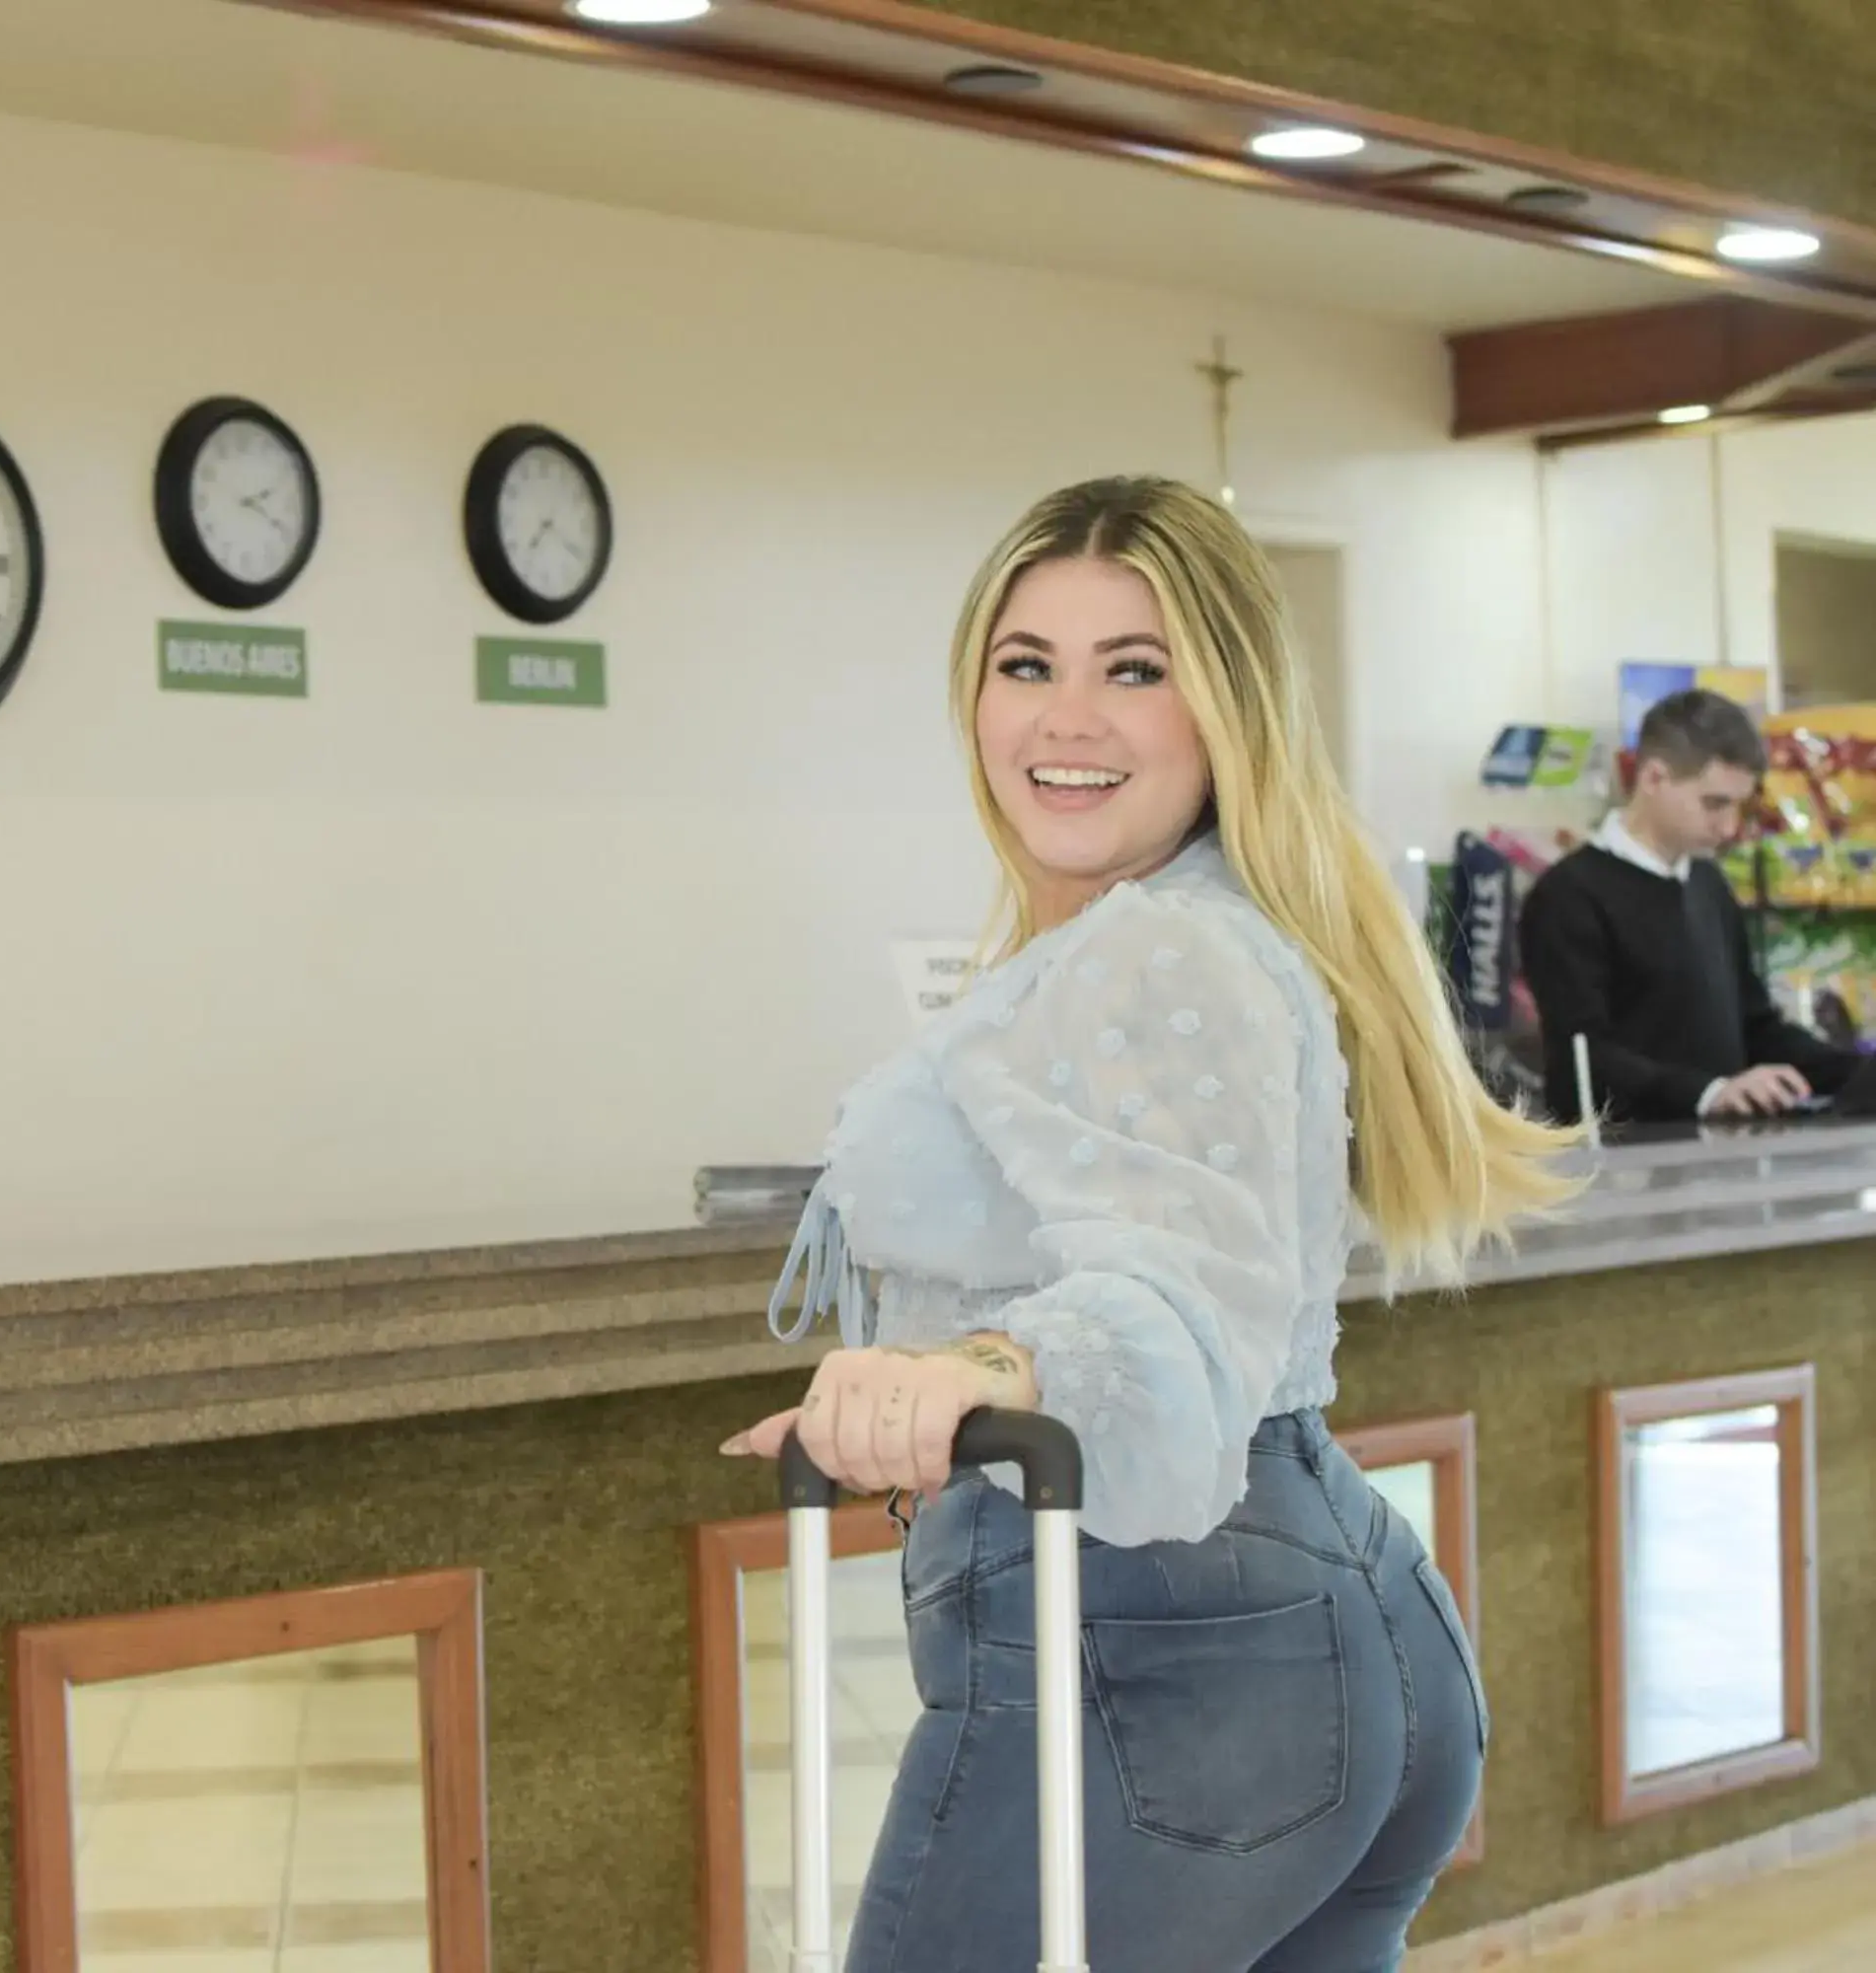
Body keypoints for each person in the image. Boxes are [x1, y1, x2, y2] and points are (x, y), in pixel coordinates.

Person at [725, 475, 1581, 1972]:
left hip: (1153, 1647)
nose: (1068, 719)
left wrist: (975, 1366)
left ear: (1227, 705)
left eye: (1136, 668)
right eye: (1025, 665)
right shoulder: (1198, 929)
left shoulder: (1157, 952)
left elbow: (1174, 1288)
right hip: (1317, 1621)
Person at [1517, 688, 1864, 1126]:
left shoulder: (1708, 884)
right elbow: (1582, 1058)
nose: (1729, 825)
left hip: (1719, 1161)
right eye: (1714, 803)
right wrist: (1708, 1093)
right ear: (1654, 778)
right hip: (1620, 1168)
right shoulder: (1567, 896)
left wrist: (1856, 1072)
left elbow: (1755, 1027)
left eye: (1740, 806)